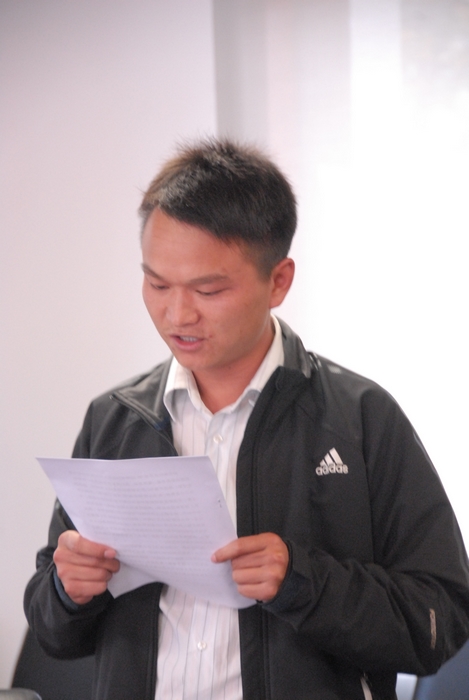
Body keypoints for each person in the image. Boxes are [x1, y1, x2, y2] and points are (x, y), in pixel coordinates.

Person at [25, 139, 469, 700]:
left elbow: (440, 620)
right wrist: (66, 591)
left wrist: (303, 582)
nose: (176, 313)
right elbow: (53, 633)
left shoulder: (360, 419)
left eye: (208, 289)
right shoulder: (116, 420)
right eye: (157, 284)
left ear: (278, 281)